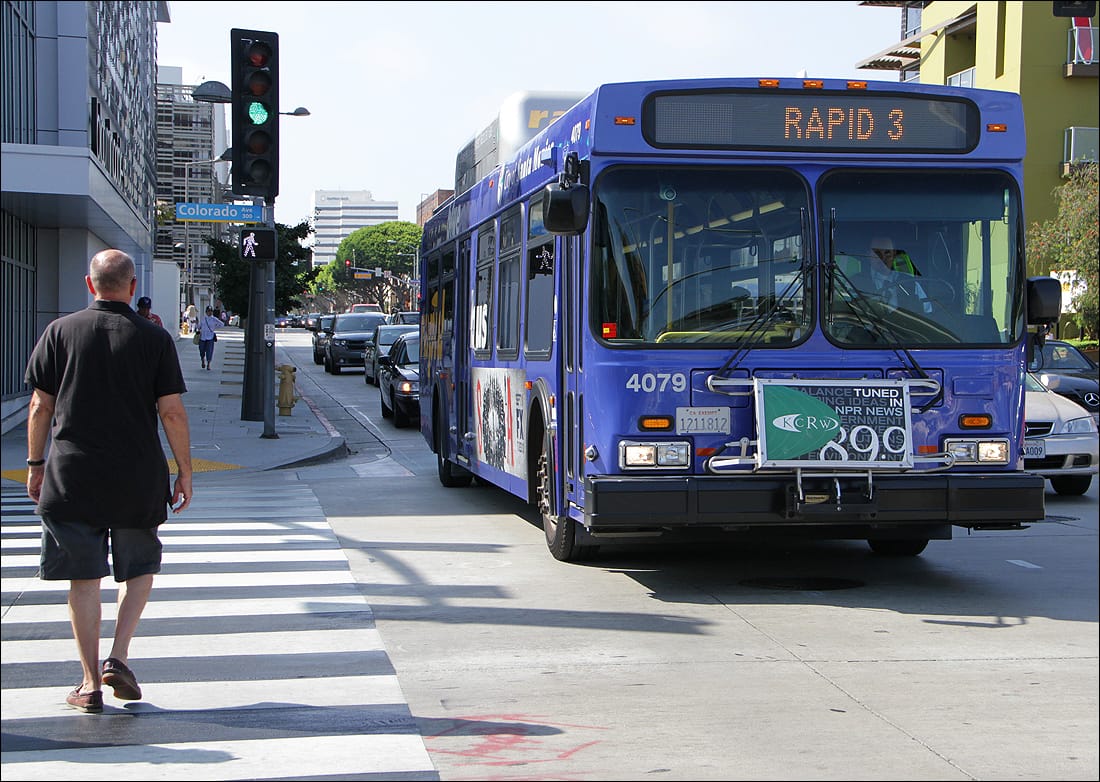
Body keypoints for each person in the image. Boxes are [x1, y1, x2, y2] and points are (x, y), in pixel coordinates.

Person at [24, 248, 192, 714]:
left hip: (72, 473)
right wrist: (185, 470)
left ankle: (88, 683)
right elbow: (172, 411)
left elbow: (40, 406)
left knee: (83, 577)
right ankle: (119, 656)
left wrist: (35, 466)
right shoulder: (154, 338)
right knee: (138, 568)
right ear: (133, 287)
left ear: (89, 284)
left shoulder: (60, 332)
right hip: (137, 474)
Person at [197, 305, 221, 370]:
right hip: (202, 337)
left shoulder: (214, 319)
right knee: (201, 350)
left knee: (209, 351)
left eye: (210, 311)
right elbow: (199, 326)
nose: (209, 313)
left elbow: (221, 324)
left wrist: (214, 328)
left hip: (210, 337)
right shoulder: (203, 318)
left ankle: (208, 364)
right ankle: (202, 360)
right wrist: (198, 329)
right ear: (206, 312)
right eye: (208, 311)